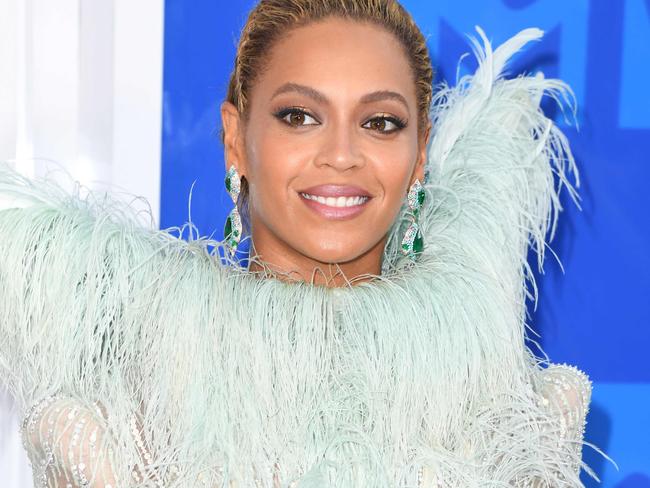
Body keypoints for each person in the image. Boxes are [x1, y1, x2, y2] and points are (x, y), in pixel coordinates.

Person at [0, 0, 602, 486]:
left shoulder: (501, 397)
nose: (341, 154)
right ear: (236, 138)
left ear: (419, 156)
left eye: (380, 122)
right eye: (299, 116)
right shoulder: (133, 393)